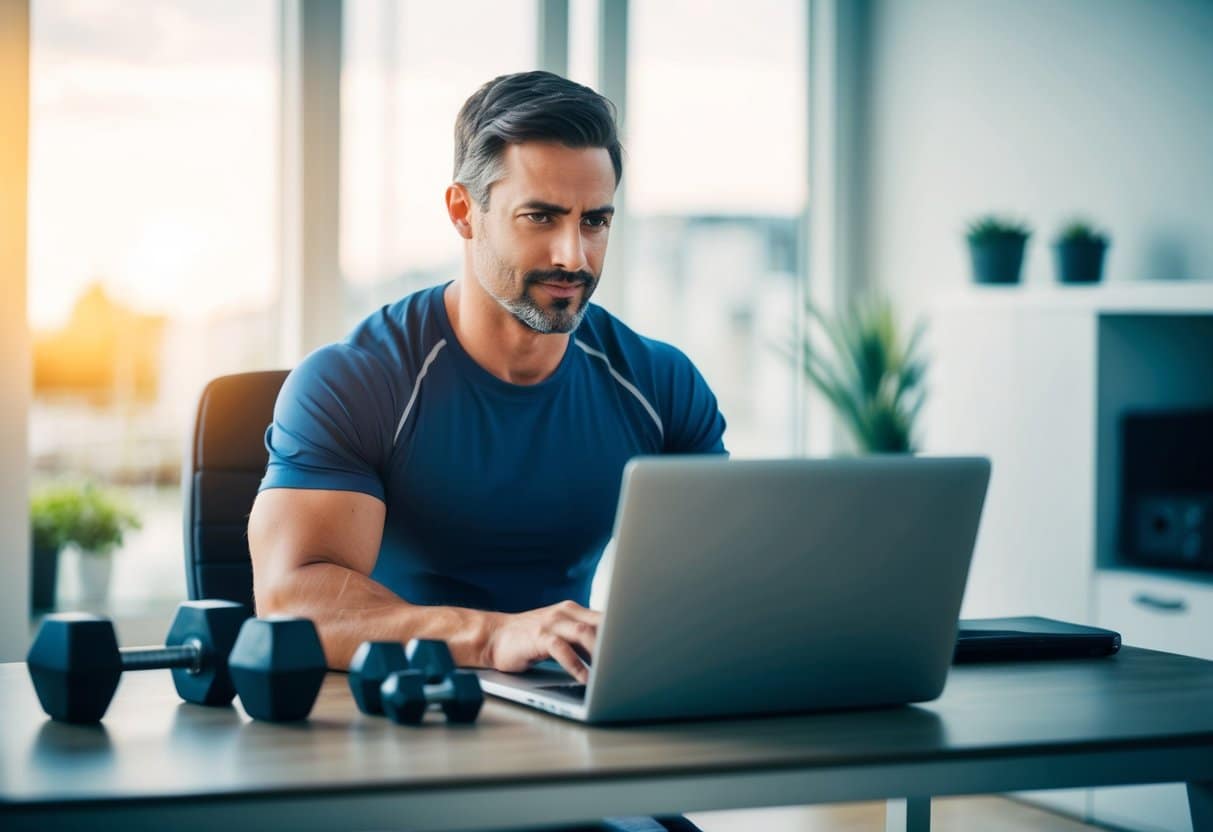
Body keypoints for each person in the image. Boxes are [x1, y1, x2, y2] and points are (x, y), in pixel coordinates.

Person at [248, 71, 725, 832]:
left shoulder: (658, 383)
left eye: (595, 220)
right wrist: (495, 633)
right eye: (540, 216)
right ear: (463, 212)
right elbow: (292, 601)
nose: (573, 254)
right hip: (396, 741)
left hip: (577, 738)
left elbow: (722, 582)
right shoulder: (356, 379)